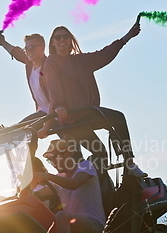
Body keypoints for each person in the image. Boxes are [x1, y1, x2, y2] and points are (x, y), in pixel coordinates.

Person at [39, 20, 146, 176]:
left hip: (89, 112)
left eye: (65, 36)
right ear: (53, 43)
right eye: (58, 37)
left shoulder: (81, 60)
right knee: (100, 152)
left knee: (118, 118)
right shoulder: (51, 62)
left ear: (70, 40)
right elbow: (53, 86)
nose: (62, 40)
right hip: (72, 119)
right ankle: (91, 183)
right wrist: (58, 105)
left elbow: (104, 54)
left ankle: (129, 163)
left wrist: (127, 37)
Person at [32, 139, 105, 233]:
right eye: (49, 160)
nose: (53, 163)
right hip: (73, 225)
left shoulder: (85, 166)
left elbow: (74, 184)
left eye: (55, 157)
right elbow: (36, 195)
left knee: (62, 216)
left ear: (68, 154)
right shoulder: (58, 178)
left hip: (94, 223)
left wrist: (48, 176)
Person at [0, 32, 51, 123]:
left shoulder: (51, 66)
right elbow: (17, 53)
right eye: (26, 48)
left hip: (58, 112)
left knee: (71, 136)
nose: (28, 51)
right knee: (18, 129)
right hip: (43, 113)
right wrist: (3, 42)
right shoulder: (30, 65)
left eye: (31, 47)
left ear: (42, 47)